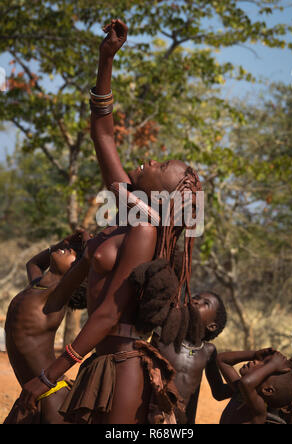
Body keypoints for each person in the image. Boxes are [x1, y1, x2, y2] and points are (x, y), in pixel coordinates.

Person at [19, 19, 202, 425]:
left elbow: (105, 315)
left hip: (121, 367)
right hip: (99, 361)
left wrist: (48, 375)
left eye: (163, 165)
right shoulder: (132, 212)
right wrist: (107, 58)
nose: (152, 159)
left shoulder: (144, 229)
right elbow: (103, 133)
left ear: (165, 195)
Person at [3, 230, 91, 424]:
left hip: (51, 395)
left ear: (75, 271)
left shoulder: (55, 298)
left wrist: (86, 238)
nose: (68, 250)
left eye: (73, 253)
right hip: (30, 395)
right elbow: (33, 263)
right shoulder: (36, 287)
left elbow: (88, 259)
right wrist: (63, 242)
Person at [152, 292, 231, 423]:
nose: (195, 301)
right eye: (195, 297)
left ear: (212, 326)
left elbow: (219, 392)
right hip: (153, 417)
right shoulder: (163, 339)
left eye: (205, 303)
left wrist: (246, 383)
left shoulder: (208, 351)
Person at [217, 349, 292, 424]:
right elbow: (222, 359)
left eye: (265, 366)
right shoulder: (241, 392)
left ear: (267, 390)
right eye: (263, 360)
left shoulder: (258, 413)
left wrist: (273, 364)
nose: (256, 361)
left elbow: (246, 383)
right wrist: (254, 354)